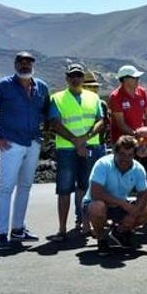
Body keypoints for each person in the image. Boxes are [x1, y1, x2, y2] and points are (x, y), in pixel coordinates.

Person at [0, 51, 50, 251]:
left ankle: (17, 228)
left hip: (33, 142)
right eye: (21, 62)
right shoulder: (2, 86)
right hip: (11, 143)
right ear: (15, 64)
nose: (25, 66)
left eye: (28, 62)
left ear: (33, 65)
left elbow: (47, 111)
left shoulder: (41, 87)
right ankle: (2, 234)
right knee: (6, 188)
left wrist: (48, 133)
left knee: (25, 186)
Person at [48, 63, 105, 241]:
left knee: (86, 187)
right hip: (66, 149)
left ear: (82, 78)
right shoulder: (56, 98)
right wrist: (76, 141)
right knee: (64, 189)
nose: (75, 79)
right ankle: (62, 229)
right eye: (72, 76)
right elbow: (54, 123)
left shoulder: (93, 98)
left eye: (78, 75)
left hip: (90, 146)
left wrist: (85, 138)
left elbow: (101, 120)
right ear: (67, 78)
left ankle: (85, 225)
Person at [83, 136, 147, 253]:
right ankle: (101, 239)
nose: (125, 159)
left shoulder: (138, 169)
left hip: (120, 205)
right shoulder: (102, 164)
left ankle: (119, 232)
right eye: (122, 154)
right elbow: (96, 193)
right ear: (115, 152)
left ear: (134, 155)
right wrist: (123, 204)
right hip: (96, 202)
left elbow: (143, 194)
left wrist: (133, 213)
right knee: (97, 207)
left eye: (129, 155)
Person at [108, 64, 147, 144]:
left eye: (138, 78)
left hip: (141, 140)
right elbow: (121, 123)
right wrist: (137, 135)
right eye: (134, 78)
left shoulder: (142, 92)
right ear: (124, 79)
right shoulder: (115, 96)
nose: (137, 80)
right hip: (122, 142)